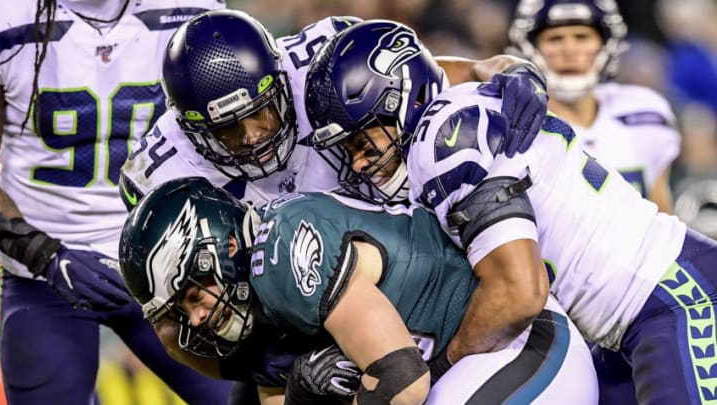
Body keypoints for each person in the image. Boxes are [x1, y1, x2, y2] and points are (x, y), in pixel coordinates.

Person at [117, 7, 549, 383]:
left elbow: (434, 75)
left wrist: (511, 70)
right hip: (279, 315)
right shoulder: (164, 169)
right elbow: (168, 318)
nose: (252, 138)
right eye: (228, 130)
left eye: (259, 113)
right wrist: (247, 364)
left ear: (282, 79)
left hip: (406, 269)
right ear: (193, 132)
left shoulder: (316, 63)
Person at [304, 18, 717, 405]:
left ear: (407, 98)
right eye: (347, 148)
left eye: (364, 139)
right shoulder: (448, 118)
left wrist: (444, 363)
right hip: (642, 312)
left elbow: (517, 293)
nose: (359, 162)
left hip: (676, 298)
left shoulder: (445, 139)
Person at [118, 175, 598, 404]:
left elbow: (401, 380)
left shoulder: (281, 257)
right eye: (180, 309)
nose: (197, 318)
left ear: (223, 247)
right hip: (448, 370)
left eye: (193, 295)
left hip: (515, 346)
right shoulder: (250, 315)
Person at [0, 1, 235, 404]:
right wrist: (45, 256)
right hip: (45, 273)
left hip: (176, 260)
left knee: (249, 394)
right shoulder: (10, 19)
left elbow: (241, 141)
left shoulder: (191, 10)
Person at [508, 0, 681, 213]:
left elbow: (663, 223)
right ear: (530, 48)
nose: (569, 50)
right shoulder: (514, 124)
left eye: (582, 37)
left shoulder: (645, 112)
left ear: (606, 44)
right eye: (555, 39)